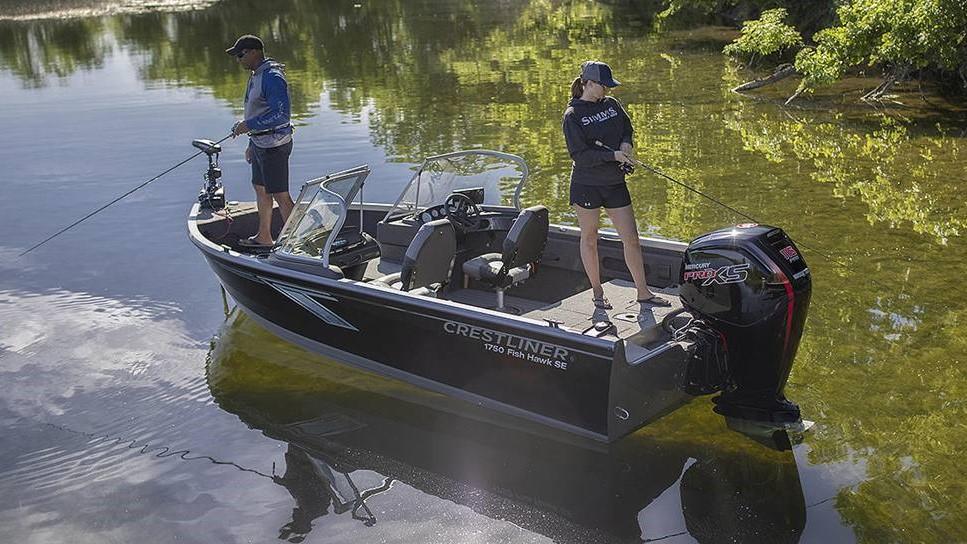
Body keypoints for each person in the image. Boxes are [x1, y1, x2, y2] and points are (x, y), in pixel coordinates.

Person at [562, 60, 670, 310]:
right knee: (590, 238)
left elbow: (626, 128)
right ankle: (598, 293)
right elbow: (580, 156)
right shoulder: (573, 115)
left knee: (631, 238)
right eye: (604, 86)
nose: (607, 90)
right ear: (588, 84)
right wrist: (612, 156)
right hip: (586, 185)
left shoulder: (611, 105)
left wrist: (626, 145)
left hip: (614, 183)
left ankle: (643, 292)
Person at [226, 34, 295, 247]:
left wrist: (249, 126)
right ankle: (264, 237)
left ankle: (298, 245)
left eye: (241, 54)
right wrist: (250, 141)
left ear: (254, 52)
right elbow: (258, 111)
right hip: (259, 144)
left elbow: (282, 115)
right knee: (260, 188)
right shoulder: (256, 74)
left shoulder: (272, 77)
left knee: (281, 195)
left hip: (274, 145)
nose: (238, 59)